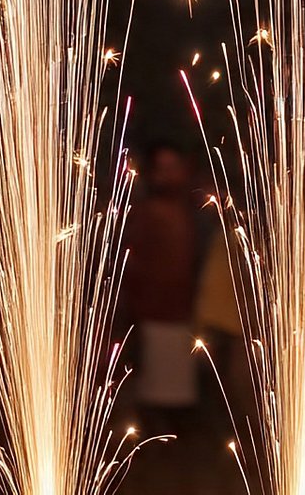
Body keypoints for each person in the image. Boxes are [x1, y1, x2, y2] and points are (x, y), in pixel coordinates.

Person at [125, 142, 200, 433]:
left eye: (174, 168)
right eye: (163, 169)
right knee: (155, 384)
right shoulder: (148, 214)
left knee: (177, 384)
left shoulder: (189, 214)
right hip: (153, 311)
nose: (168, 176)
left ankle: (176, 438)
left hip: (182, 311)